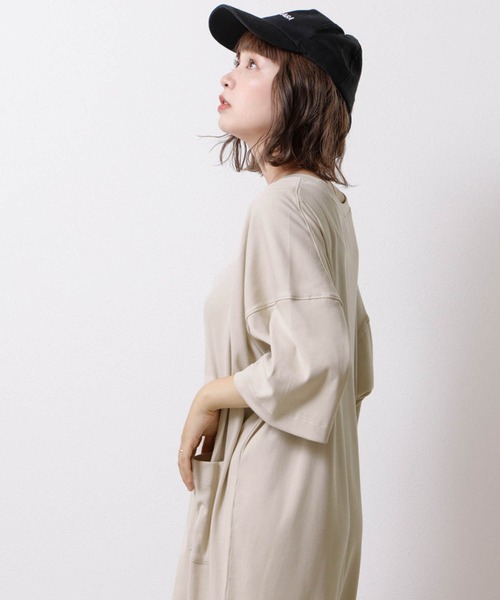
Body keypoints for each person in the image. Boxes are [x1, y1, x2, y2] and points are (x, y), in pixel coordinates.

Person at [173, 5, 374, 600]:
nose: (228, 76)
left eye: (252, 65)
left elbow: (319, 359)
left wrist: (209, 395)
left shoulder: (283, 207)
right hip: (320, 490)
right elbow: (355, 373)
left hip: (275, 492)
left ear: (299, 92)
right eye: (235, 62)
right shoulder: (327, 207)